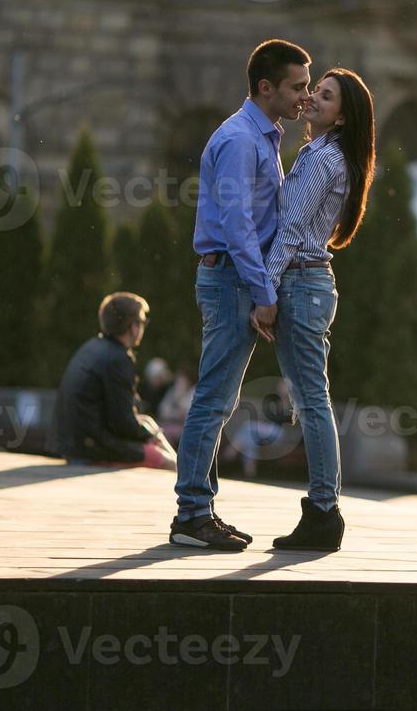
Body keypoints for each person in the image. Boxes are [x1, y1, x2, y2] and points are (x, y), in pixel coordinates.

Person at [171, 39, 312, 551]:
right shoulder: (238, 140)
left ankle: (200, 509)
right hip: (231, 278)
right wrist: (263, 292)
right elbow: (237, 226)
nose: (305, 95)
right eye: (297, 87)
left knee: (220, 399)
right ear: (265, 87)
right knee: (213, 399)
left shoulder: (264, 137)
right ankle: (190, 515)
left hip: (235, 277)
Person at [259, 67, 376, 551]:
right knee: (310, 401)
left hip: (302, 285)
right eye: (312, 91)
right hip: (308, 285)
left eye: (324, 97)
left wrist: (263, 295)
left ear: (343, 115)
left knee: (311, 402)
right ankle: (323, 510)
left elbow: (289, 231)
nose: (312, 99)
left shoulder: (323, 160)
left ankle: (325, 511)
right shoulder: (322, 153)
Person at [55, 292, 174, 468]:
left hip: (73, 443)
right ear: (132, 327)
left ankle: (183, 467)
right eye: (141, 322)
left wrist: (148, 432)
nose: (142, 328)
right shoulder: (118, 359)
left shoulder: (92, 347)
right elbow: (123, 422)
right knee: (167, 463)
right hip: (92, 448)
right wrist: (149, 436)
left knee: (148, 422)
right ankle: (185, 472)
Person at [157, 365, 197, 446]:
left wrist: (179, 398)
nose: (179, 383)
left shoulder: (194, 392)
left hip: (186, 428)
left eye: (182, 380)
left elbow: (186, 415)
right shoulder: (173, 391)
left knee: (166, 434)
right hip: (168, 424)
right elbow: (162, 410)